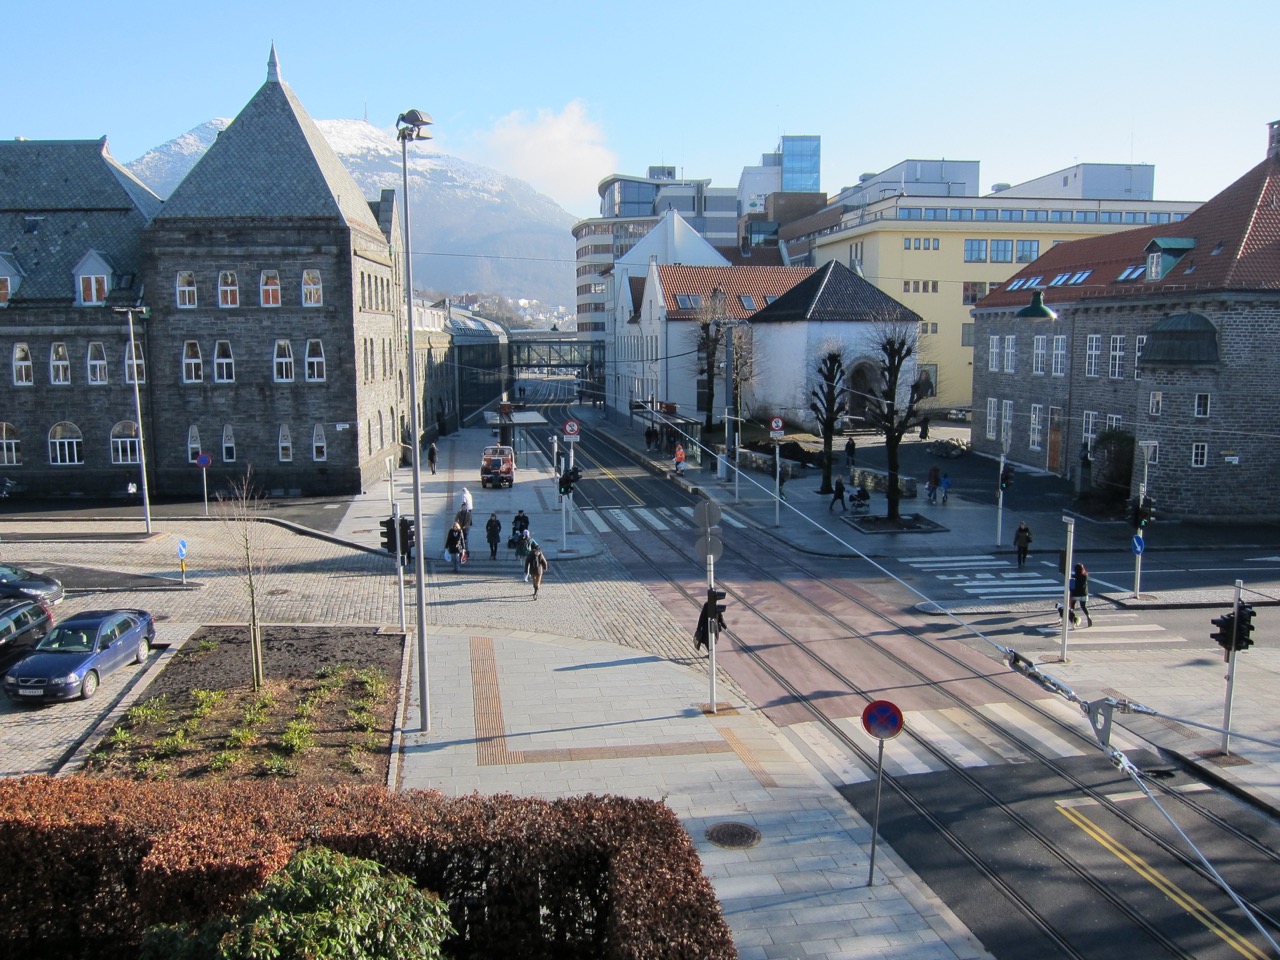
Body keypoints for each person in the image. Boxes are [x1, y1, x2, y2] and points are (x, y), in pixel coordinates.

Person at [1068, 562, 1093, 627]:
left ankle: (1073, 619)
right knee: (1083, 606)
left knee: (1072, 606)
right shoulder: (1085, 576)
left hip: (1075, 594)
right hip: (1084, 594)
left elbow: (1071, 587)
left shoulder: (1073, 577)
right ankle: (1088, 616)